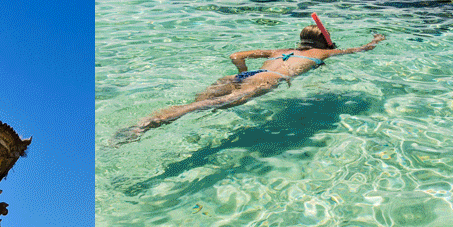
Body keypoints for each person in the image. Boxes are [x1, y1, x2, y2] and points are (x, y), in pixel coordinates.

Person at [118, 22, 388, 141]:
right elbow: (361, 49)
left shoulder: (278, 50)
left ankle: (143, 123)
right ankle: (147, 126)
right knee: (204, 107)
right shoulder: (325, 52)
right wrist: (376, 40)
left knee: (198, 102)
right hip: (268, 81)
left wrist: (245, 71)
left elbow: (236, 55)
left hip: (243, 75)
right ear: (323, 42)